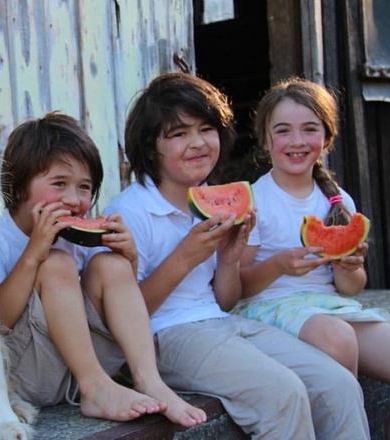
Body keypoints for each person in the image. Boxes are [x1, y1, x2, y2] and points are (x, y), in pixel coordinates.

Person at [103, 71, 370, 439]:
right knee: (282, 393)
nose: (197, 143)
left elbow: (225, 301)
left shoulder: (215, 197)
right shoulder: (132, 211)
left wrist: (229, 258)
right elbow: (123, 318)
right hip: (165, 336)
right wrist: (185, 256)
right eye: (179, 134)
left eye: (205, 129)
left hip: (222, 322)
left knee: (338, 384)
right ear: (151, 148)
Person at [0, 111, 207, 427]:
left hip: (81, 366)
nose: (75, 200)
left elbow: (116, 301)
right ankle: (95, 388)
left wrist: (129, 259)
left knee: (110, 264)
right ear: (19, 188)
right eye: (59, 183)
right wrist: (34, 254)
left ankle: (148, 379)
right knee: (56, 263)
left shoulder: (78, 236)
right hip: (28, 374)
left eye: (84, 187)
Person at [233, 77, 390, 439]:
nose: (296, 141)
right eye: (283, 131)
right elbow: (237, 286)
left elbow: (350, 288)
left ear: (326, 138)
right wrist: (279, 264)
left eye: (309, 129)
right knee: (338, 338)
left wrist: (349, 267)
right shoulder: (252, 198)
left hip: (329, 308)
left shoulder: (338, 200)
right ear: (265, 140)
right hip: (270, 307)